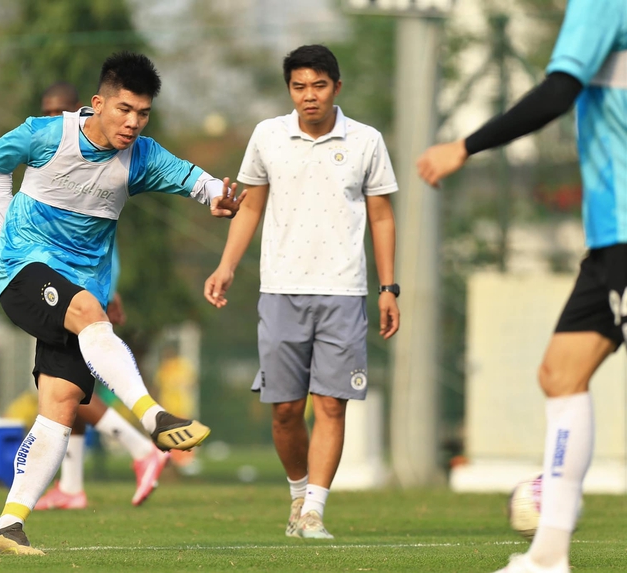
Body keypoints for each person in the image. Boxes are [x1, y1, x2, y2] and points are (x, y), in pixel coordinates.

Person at [0, 51, 244, 555]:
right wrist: (1, 234)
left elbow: (197, 180)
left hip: (83, 290)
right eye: (124, 109)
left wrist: (218, 197)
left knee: (60, 406)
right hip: (26, 271)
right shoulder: (47, 133)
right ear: (98, 103)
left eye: (142, 113)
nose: (132, 122)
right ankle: (153, 419)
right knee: (87, 312)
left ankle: (8, 526)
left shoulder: (141, 156)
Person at [417, 2, 626, 572]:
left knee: (563, 375)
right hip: (612, 239)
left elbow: (558, 92)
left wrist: (465, 146)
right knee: (561, 374)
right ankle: (548, 556)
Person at [204, 44, 401, 540]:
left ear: (337, 87)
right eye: (298, 86)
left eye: (318, 85)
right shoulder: (268, 135)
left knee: (331, 404)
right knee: (287, 410)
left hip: (344, 292)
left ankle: (314, 511)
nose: (308, 96)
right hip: (280, 289)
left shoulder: (366, 141)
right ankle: (298, 494)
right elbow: (249, 207)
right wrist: (226, 265)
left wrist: (388, 288)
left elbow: (381, 216)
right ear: (289, 89)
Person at [33, 80, 171, 511]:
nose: (55, 119)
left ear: (81, 110)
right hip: (51, 283)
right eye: (48, 111)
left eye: (61, 111)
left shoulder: (105, 159)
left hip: (81, 290)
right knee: (57, 384)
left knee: (65, 387)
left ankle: (141, 446)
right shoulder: (49, 155)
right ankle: (71, 486)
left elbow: (100, 240)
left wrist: (108, 293)